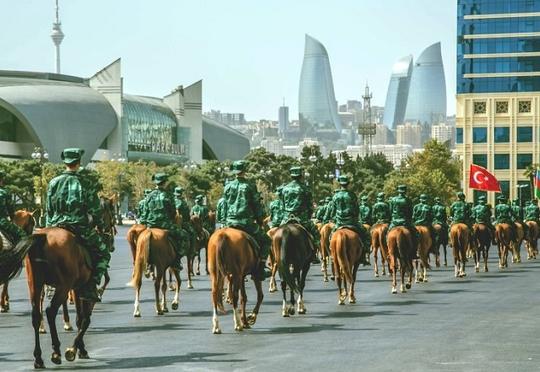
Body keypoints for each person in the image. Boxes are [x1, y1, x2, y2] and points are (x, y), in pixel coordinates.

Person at [46, 148, 111, 302]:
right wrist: (100, 225)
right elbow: (95, 210)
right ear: (79, 162)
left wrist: (48, 228)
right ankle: (91, 286)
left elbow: (48, 209)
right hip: (78, 227)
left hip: (55, 226)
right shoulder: (85, 183)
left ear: (65, 162)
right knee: (103, 253)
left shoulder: (53, 182)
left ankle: (49, 285)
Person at [222, 160, 270, 280]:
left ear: (235, 172)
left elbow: (224, 205)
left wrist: (224, 221)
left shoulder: (227, 186)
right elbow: (256, 205)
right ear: (245, 171)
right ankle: (261, 267)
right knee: (266, 240)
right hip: (245, 223)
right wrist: (260, 219)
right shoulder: (250, 186)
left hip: (229, 222)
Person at [145, 173, 187, 272]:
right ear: (165, 182)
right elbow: (173, 212)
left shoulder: (149, 195)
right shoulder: (168, 195)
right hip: (165, 224)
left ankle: (147, 263)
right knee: (184, 236)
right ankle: (177, 261)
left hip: (150, 225)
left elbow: (145, 211)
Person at [326, 175, 369, 265]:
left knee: (330, 237)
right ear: (348, 184)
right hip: (351, 222)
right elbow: (357, 210)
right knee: (365, 233)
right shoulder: (352, 195)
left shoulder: (335, 196)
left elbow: (332, 212)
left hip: (339, 223)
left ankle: (331, 254)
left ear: (340, 184)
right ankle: (364, 254)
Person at [279, 166, 320, 256]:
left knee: (276, 234)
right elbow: (310, 206)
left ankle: (273, 257)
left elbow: (282, 206)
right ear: (301, 175)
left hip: (286, 219)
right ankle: (314, 255)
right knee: (316, 233)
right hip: (302, 219)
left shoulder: (284, 189)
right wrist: (309, 216)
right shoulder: (305, 189)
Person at [0, 170, 27, 245]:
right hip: (2, 221)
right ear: (1, 180)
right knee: (22, 234)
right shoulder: (4, 193)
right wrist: (12, 218)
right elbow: (11, 210)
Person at [174, 187, 197, 256]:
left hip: (171, 222)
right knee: (193, 233)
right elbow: (182, 212)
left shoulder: (172, 200)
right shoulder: (181, 202)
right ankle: (192, 251)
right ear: (181, 193)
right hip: (183, 222)